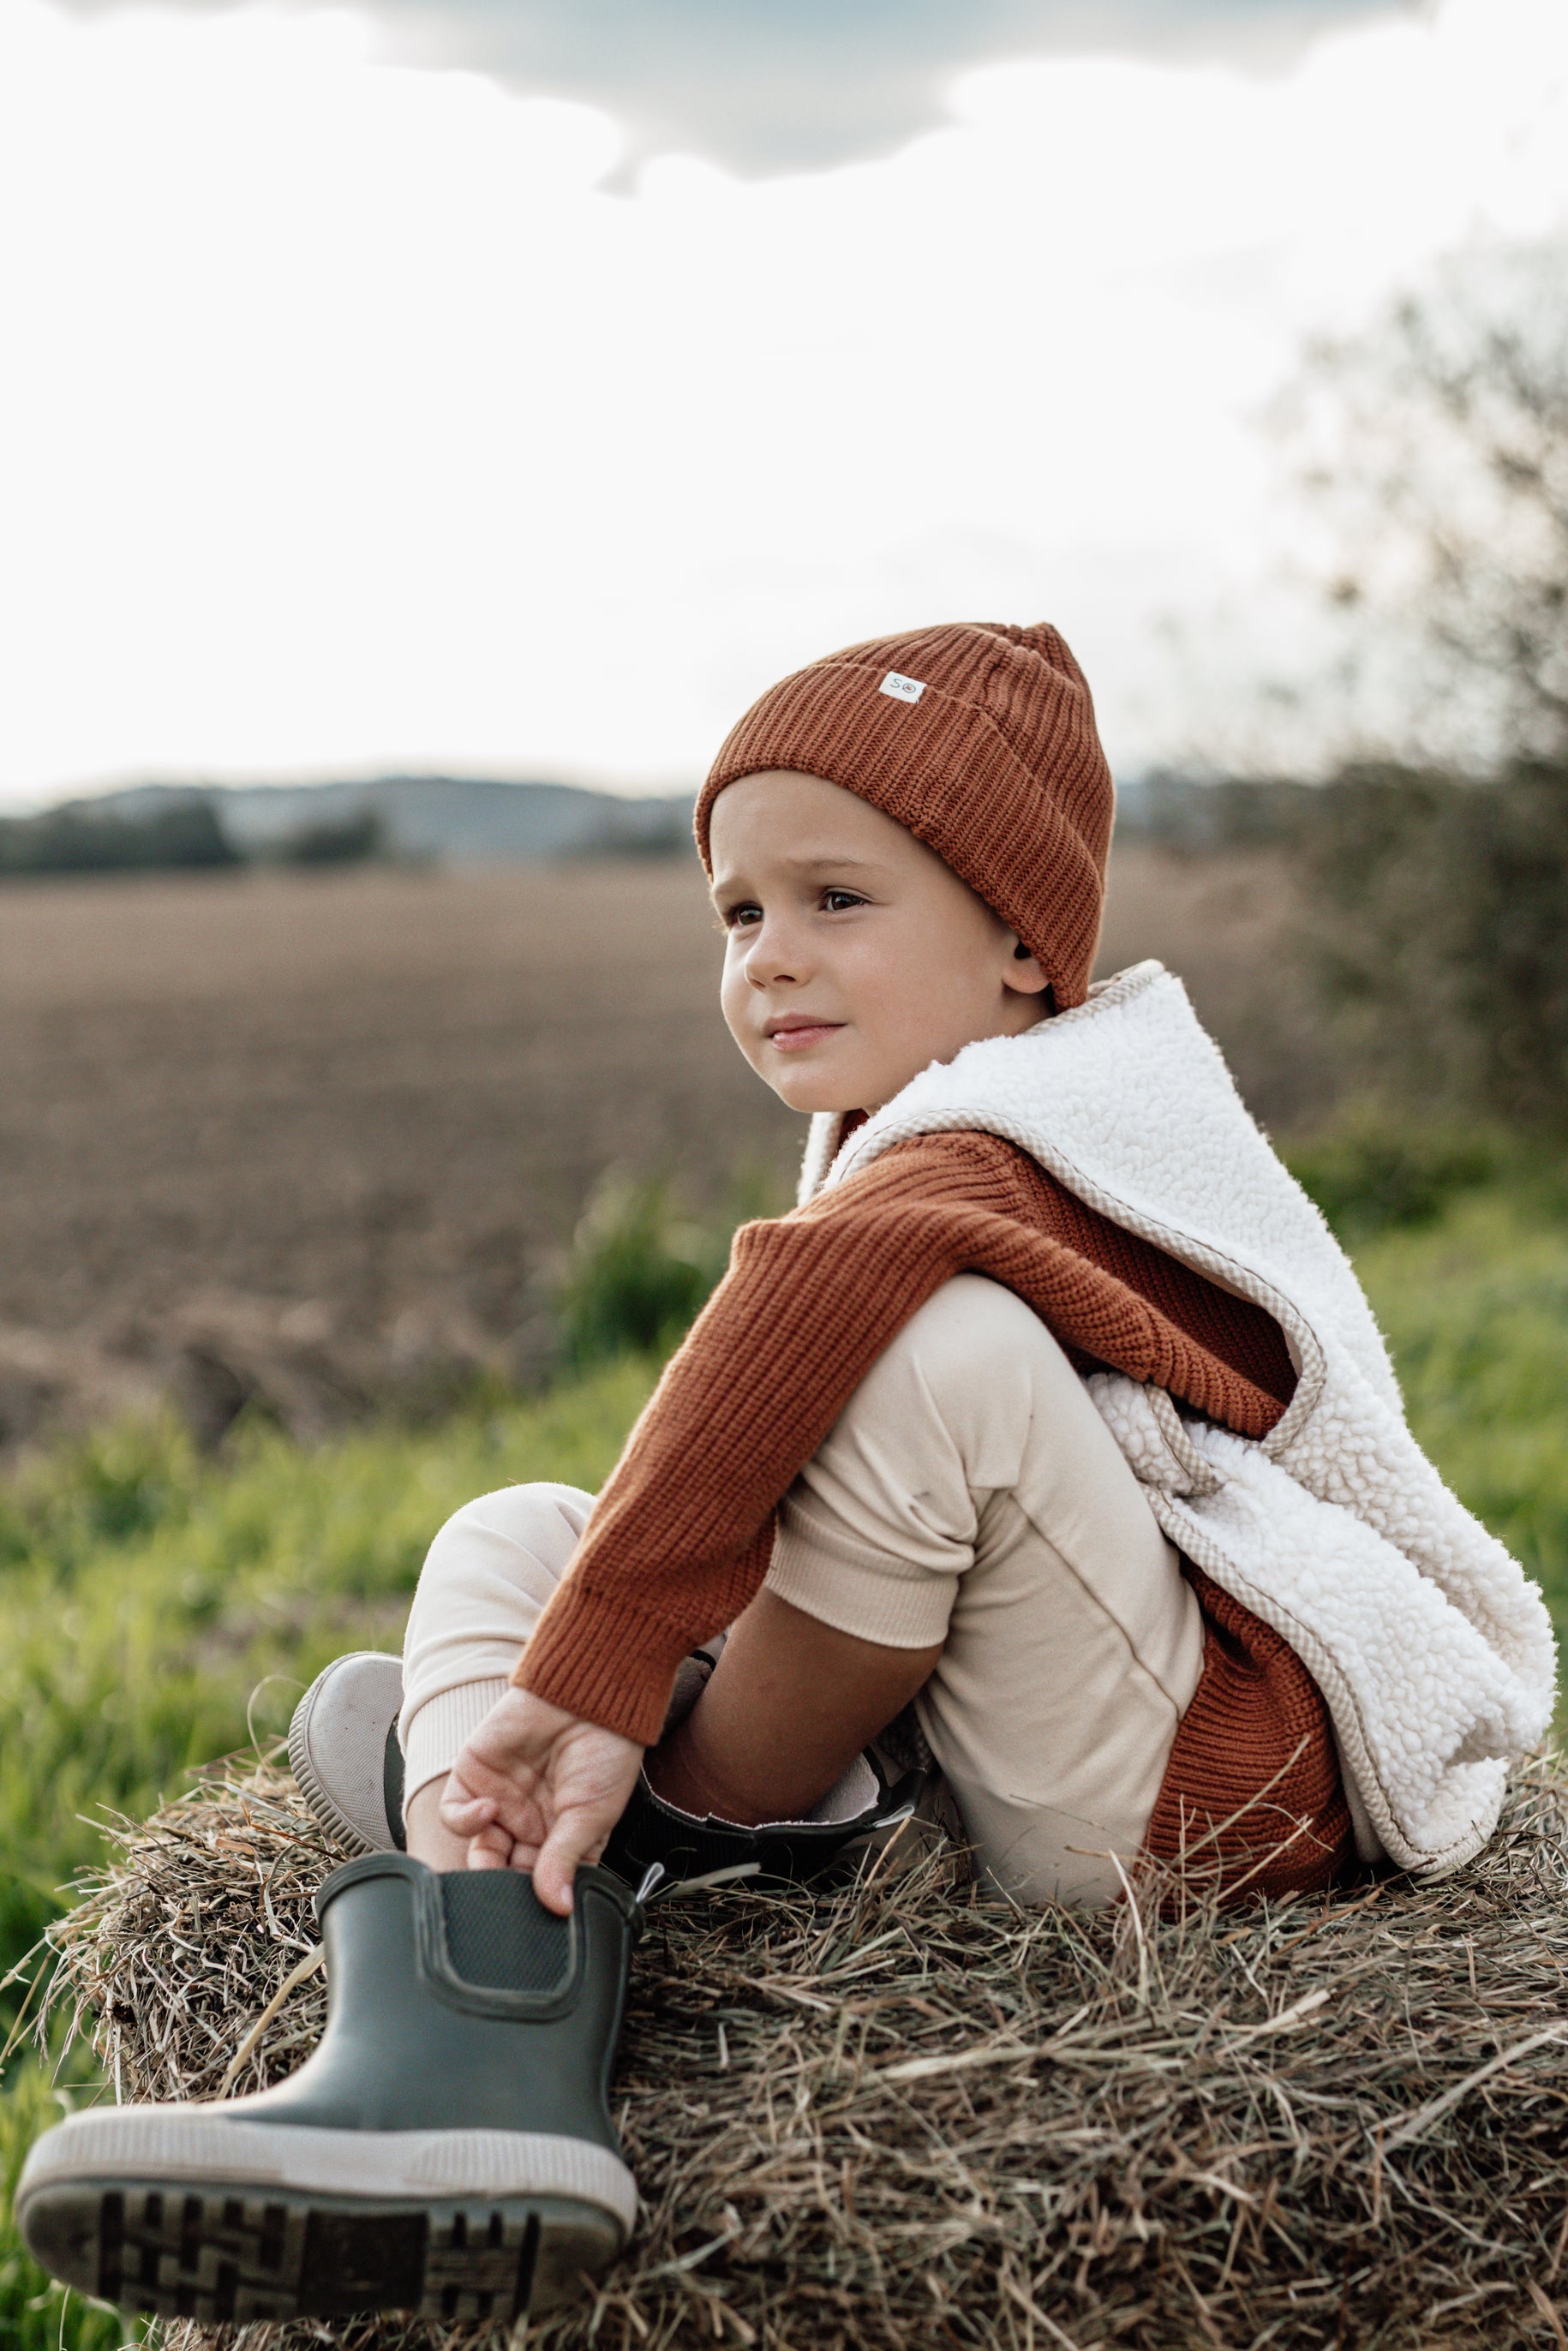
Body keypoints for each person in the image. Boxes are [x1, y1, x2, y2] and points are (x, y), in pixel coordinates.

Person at [20, 623, 1553, 2329]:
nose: (772, 957)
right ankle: (467, 2021)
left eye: (837, 898)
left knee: (939, 1349)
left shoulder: (1043, 1124)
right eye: (739, 913)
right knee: (512, 1532)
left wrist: (600, 1673)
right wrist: (591, 1639)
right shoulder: (942, 1130)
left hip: (1185, 1801)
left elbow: (804, 1311)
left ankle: (682, 1831)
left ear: (1023, 941)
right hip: (1036, 1721)